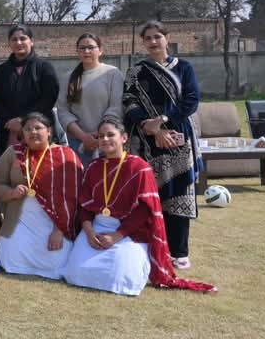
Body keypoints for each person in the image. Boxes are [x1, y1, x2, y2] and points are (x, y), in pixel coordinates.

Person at [62, 116, 216, 295]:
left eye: (110, 135)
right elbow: (85, 206)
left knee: (120, 276)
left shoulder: (139, 168)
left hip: (129, 232)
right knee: (76, 273)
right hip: (96, 229)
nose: (105, 139)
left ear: (124, 138)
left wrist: (116, 236)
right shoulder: (93, 167)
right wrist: (89, 233)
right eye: (101, 136)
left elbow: (144, 210)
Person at [122, 20, 202, 270]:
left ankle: (180, 251)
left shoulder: (184, 68)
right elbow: (129, 101)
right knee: (152, 194)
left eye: (157, 36)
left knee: (179, 193)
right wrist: (151, 127)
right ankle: (155, 248)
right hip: (147, 140)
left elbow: (191, 100)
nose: (153, 42)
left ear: (167, 38)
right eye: (148, 38)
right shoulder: (136, 71)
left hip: (178, 136)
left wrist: (164, 121)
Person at [0, 112, 81, 280]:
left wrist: (59, 230)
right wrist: (11, 193)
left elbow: (73, 197)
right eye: (28, 129)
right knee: (10, 256)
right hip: (20, 219)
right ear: (22, 133)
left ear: (49, 131)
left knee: (57, 260)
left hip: (54, 221)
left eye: (38, 128)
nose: (33, 132)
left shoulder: (66, 155)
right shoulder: (13, 153)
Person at [55, 33, 123, 167]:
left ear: (100, 50)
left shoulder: (112, 73)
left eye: (91, 47)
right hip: (78, 144)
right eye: (82, 48)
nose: (86, 51)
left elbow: (116, 106)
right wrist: (84, 137)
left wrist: (101, 135)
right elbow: (63, 111)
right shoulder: (67, 78)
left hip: (108, 141)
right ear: (77, 51)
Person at [0, 25, 61, 157]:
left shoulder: (44, 68)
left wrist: (23, 120)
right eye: (14, 39)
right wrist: (10, 121)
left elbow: (49, 98)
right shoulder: (1, 71)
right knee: (12, 166)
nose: (18, 43)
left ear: (31, 41)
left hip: (38, 127)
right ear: (9, 43)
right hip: (10, 129)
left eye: (23, 38)